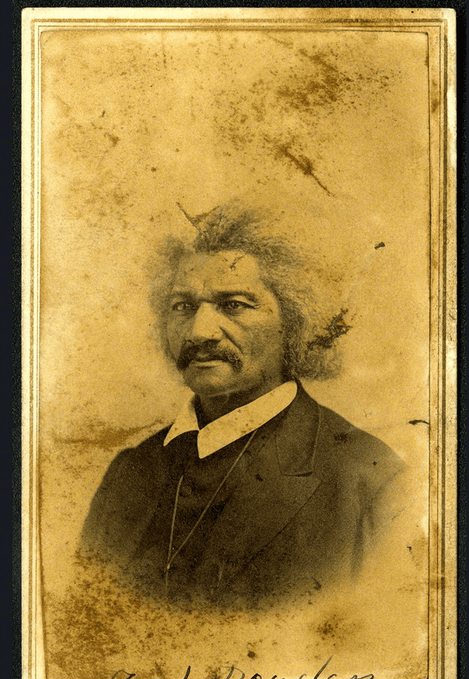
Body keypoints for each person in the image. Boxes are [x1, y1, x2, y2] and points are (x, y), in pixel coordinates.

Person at [80, 201, 405, 610]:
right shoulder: (129, 473)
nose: (199, 331)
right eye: (183, 306)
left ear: (296, 320)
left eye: (233, 305)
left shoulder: (371, 482)